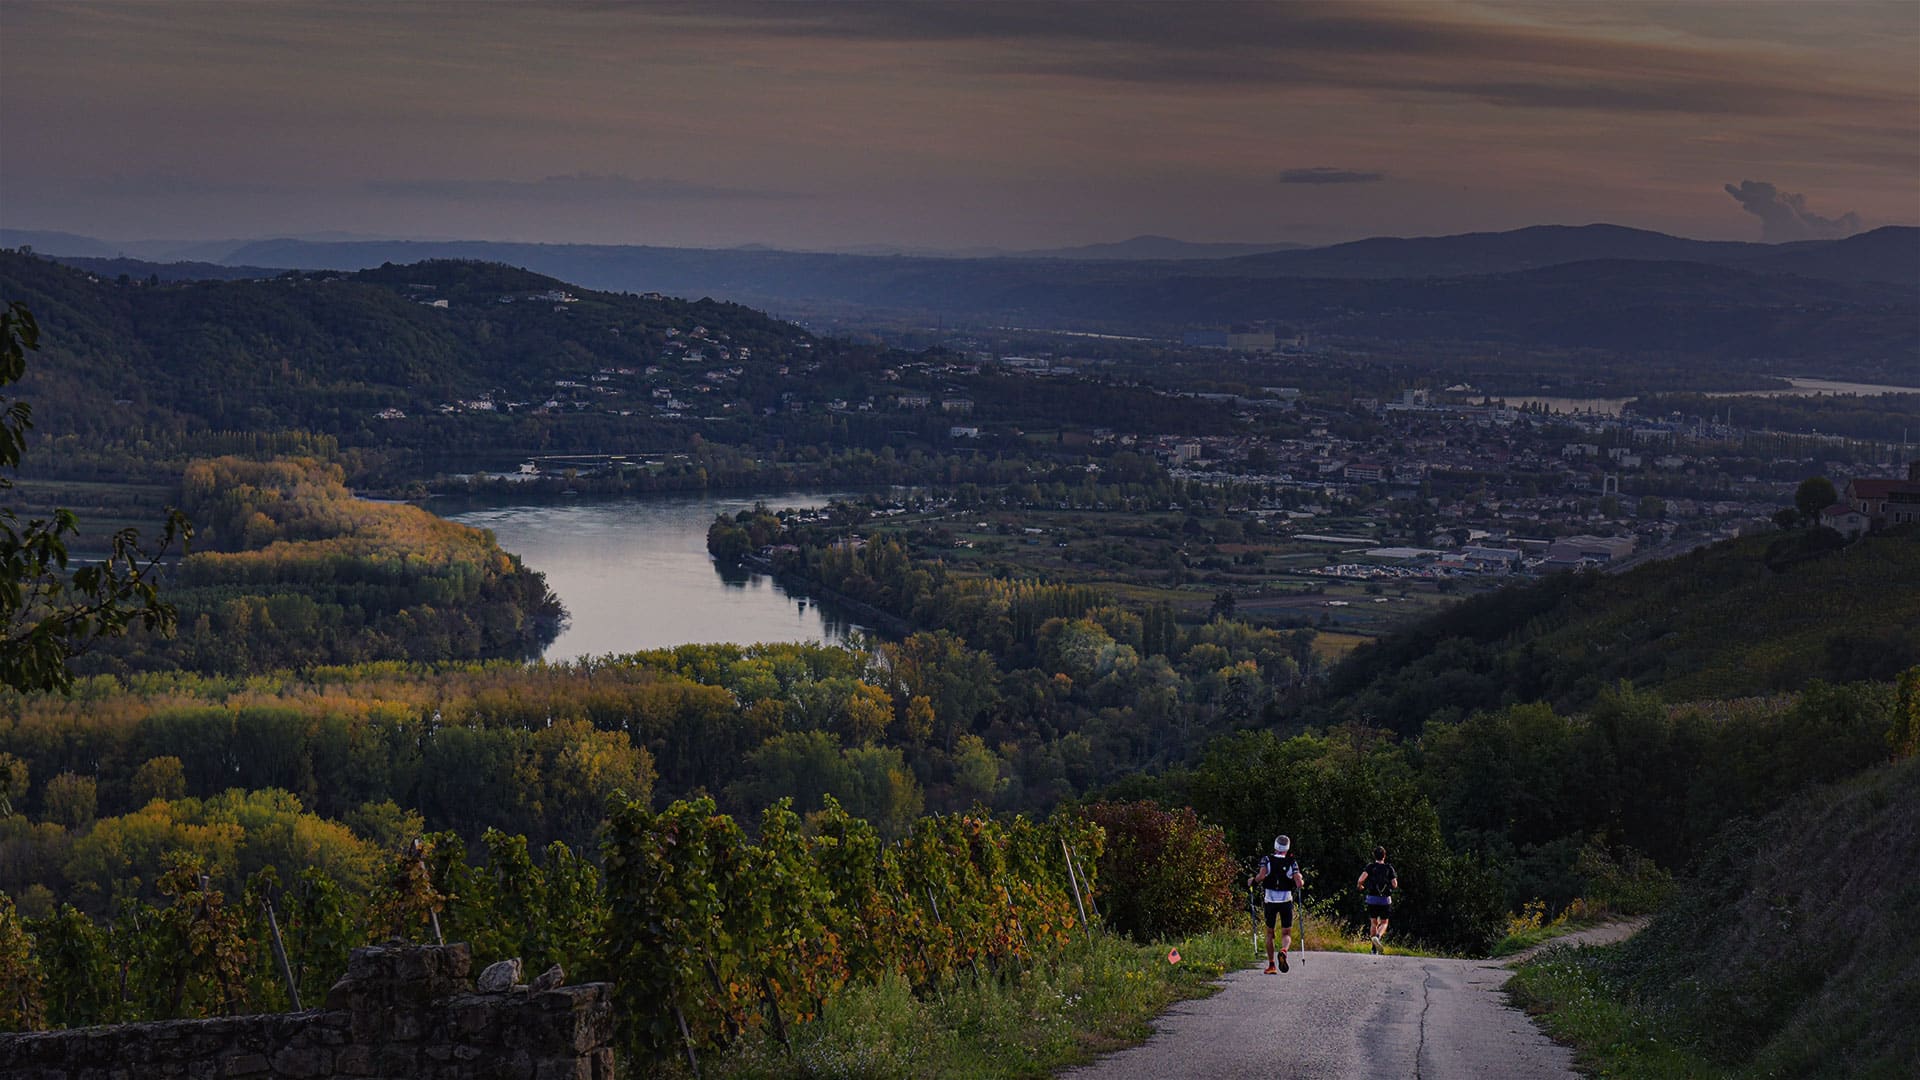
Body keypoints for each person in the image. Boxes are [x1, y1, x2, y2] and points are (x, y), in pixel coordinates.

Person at [1249, 834, 1305, 973]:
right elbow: (1298, 883)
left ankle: (1272, 965)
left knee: (1270, 933)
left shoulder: (1267, 859)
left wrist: (1253, 882)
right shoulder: (1292, 862)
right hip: (1286, 900)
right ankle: (1284, 950)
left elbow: (1261, 876)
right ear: (1287, 847)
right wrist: (1301, 881)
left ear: (1275, 846)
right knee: (1286, 933)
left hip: (1270, 900)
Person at [1357, 845, 1397, 954]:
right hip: (1385, 900)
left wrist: (1360, 886)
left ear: (1374, 855)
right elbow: (1394, 884)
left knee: (1373, 923)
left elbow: (1361, 880)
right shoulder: (1389, 868)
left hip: (1372, 899)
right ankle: (1378, 937)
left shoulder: (1370, 867)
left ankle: (1373, 950)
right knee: (1384, 922)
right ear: (1384, 856)